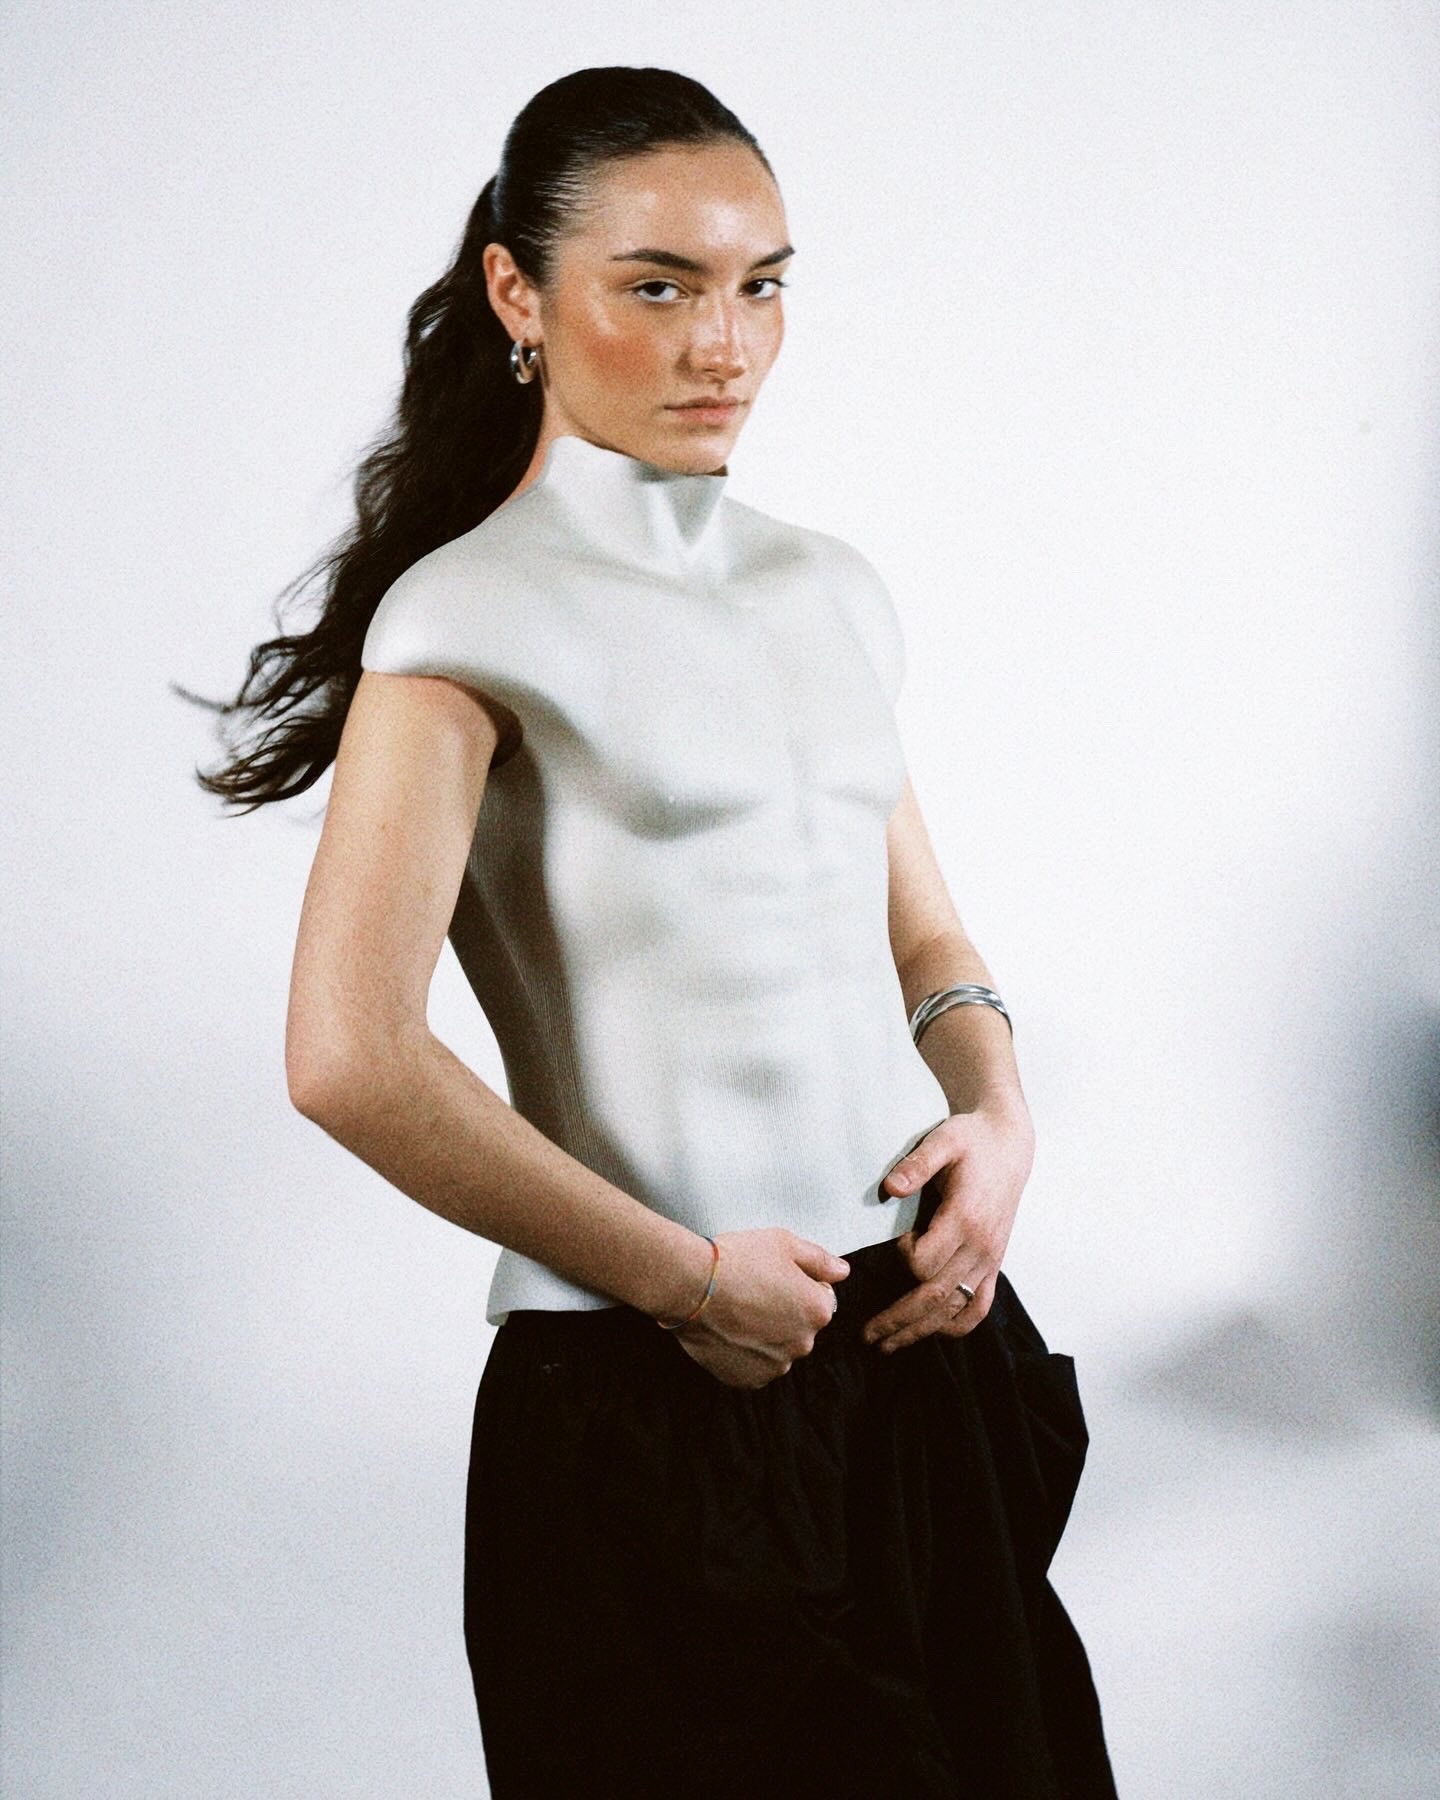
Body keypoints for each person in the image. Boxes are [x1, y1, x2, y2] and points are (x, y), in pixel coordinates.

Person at [183, 64, 1118, 1800]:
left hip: (919, 1363)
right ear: (518, 294)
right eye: (661, 287)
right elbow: (347, 1056)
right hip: (650, 1389)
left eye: (763, 285)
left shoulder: (830, 590)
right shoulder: (463, 620)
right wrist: (686, 1283)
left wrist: (997, 1118)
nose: (725, 346)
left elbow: (925, 933)